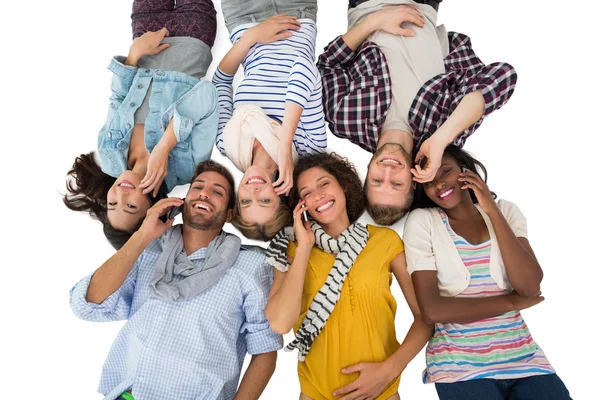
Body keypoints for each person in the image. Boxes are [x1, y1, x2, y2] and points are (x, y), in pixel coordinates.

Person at [69, 160, 282, 400]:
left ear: (229, 214)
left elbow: (265, 349)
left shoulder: (251, 265)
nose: (204, 193)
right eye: (197, 187)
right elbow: (86, 305)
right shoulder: (148, 251)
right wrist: (143, 235)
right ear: (182, 202)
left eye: (217, 191)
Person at [317, 0, 517, 225]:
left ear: (367, 171)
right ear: (413, 182)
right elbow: (503, 76)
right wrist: (441, 139)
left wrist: (375, 21)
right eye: (396, 184)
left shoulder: (345, 122)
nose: (388, 171)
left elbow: (329, 65)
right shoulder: (442, 131)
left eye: (376, 180)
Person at [403, 145, 572, 400]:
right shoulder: (424, 222)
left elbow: (529, 286)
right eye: (429, 181)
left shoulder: (505, 211)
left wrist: (490, 209)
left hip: (525, 359)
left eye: (445, 171)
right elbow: (432, 310)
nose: (439, 185)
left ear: (465, 171)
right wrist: (513, 301)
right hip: (459, 367)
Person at [264, 153, 432, 399]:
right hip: (316, 393)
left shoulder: (385, 241)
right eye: (306, 193)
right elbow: (280, 323)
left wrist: (389, 370)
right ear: (301, 206)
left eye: (324, 184)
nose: (318, 195)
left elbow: (425, 317)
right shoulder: (292, 250)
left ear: (343, 185)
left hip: (382, 392)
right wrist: (304, 249)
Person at [64, 0, 219, 249]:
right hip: (192, 37)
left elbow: (118, 98)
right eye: (131, 206)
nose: (121, 194)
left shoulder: (110, 153)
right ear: (152, 206)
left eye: (113, 203)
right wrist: (164, 147)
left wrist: (135, 53)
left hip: (146, 34)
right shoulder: (186, 168)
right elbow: (208, 95)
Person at [213, 0, 327, 240]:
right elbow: (305, 68)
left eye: (245, 200)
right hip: (296, 13)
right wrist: (284, 144)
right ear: (282, 195)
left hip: (242, 18)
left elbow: (221, 82)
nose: (253, 190)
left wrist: (251, 36)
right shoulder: (308, 149)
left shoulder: (227, 144)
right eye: (264, 200)